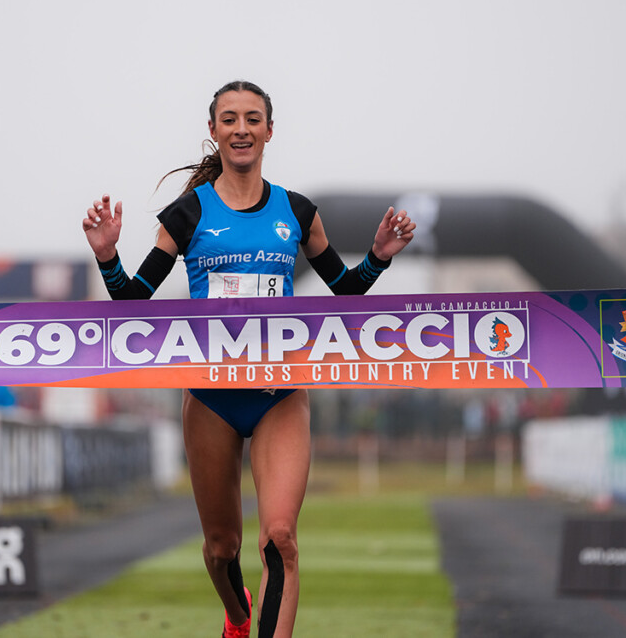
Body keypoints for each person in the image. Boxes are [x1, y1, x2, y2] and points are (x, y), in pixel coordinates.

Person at [82, 80, 415, 638]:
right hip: (210, 398)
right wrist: (107, 255)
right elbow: (133, 304)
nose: (242, 129)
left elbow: (346, 294)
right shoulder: (187, 213)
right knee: (221, 548)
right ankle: (238, 617)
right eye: (230, 119)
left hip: (279, 395)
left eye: (253, 119)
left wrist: (378, 259)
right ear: (213, 131)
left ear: (269, 130)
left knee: (279, 536)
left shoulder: (297, 211)